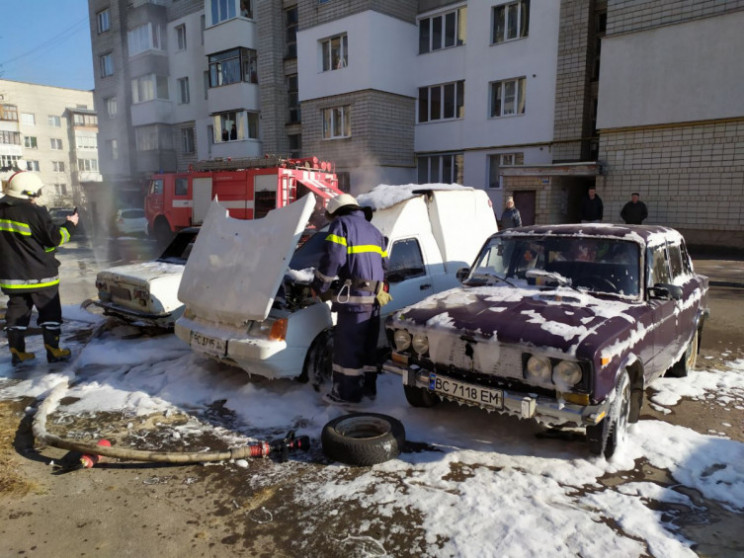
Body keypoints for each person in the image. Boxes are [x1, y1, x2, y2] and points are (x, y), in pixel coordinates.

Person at [311, 194, 390, 404]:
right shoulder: (374, 230)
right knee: (367, 349)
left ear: (336, 212)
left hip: (354, 301)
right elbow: (385, 264)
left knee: (348, 350)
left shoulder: (341, 224)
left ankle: (346, 394)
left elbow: (334, 258)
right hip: (374, 301)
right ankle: (368, 390)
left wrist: (319, 286)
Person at [0, 171, 78, 365]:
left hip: (11, 276)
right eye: (36, 193)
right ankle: (54, 351)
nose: (37, 197)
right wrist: (71, 225)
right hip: (41, 276)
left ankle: (17, 353)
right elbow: (55, 238)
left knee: (16, 314)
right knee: (49, 312)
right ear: (29, 192)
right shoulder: (34, 212)